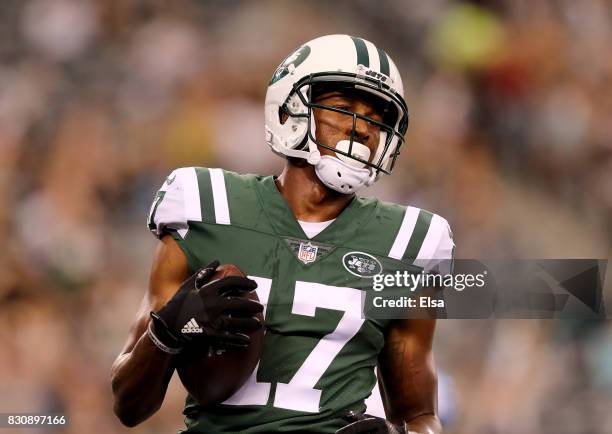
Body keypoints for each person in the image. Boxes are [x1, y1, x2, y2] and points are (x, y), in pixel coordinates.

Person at [111, 34, 454, 434]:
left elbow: (419, 416)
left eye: (377, 118)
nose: (363, 130)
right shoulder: (208, 205)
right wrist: (167, 332)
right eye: (343, 109)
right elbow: (127, 404)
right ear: (290, 110)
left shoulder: (409, 241)